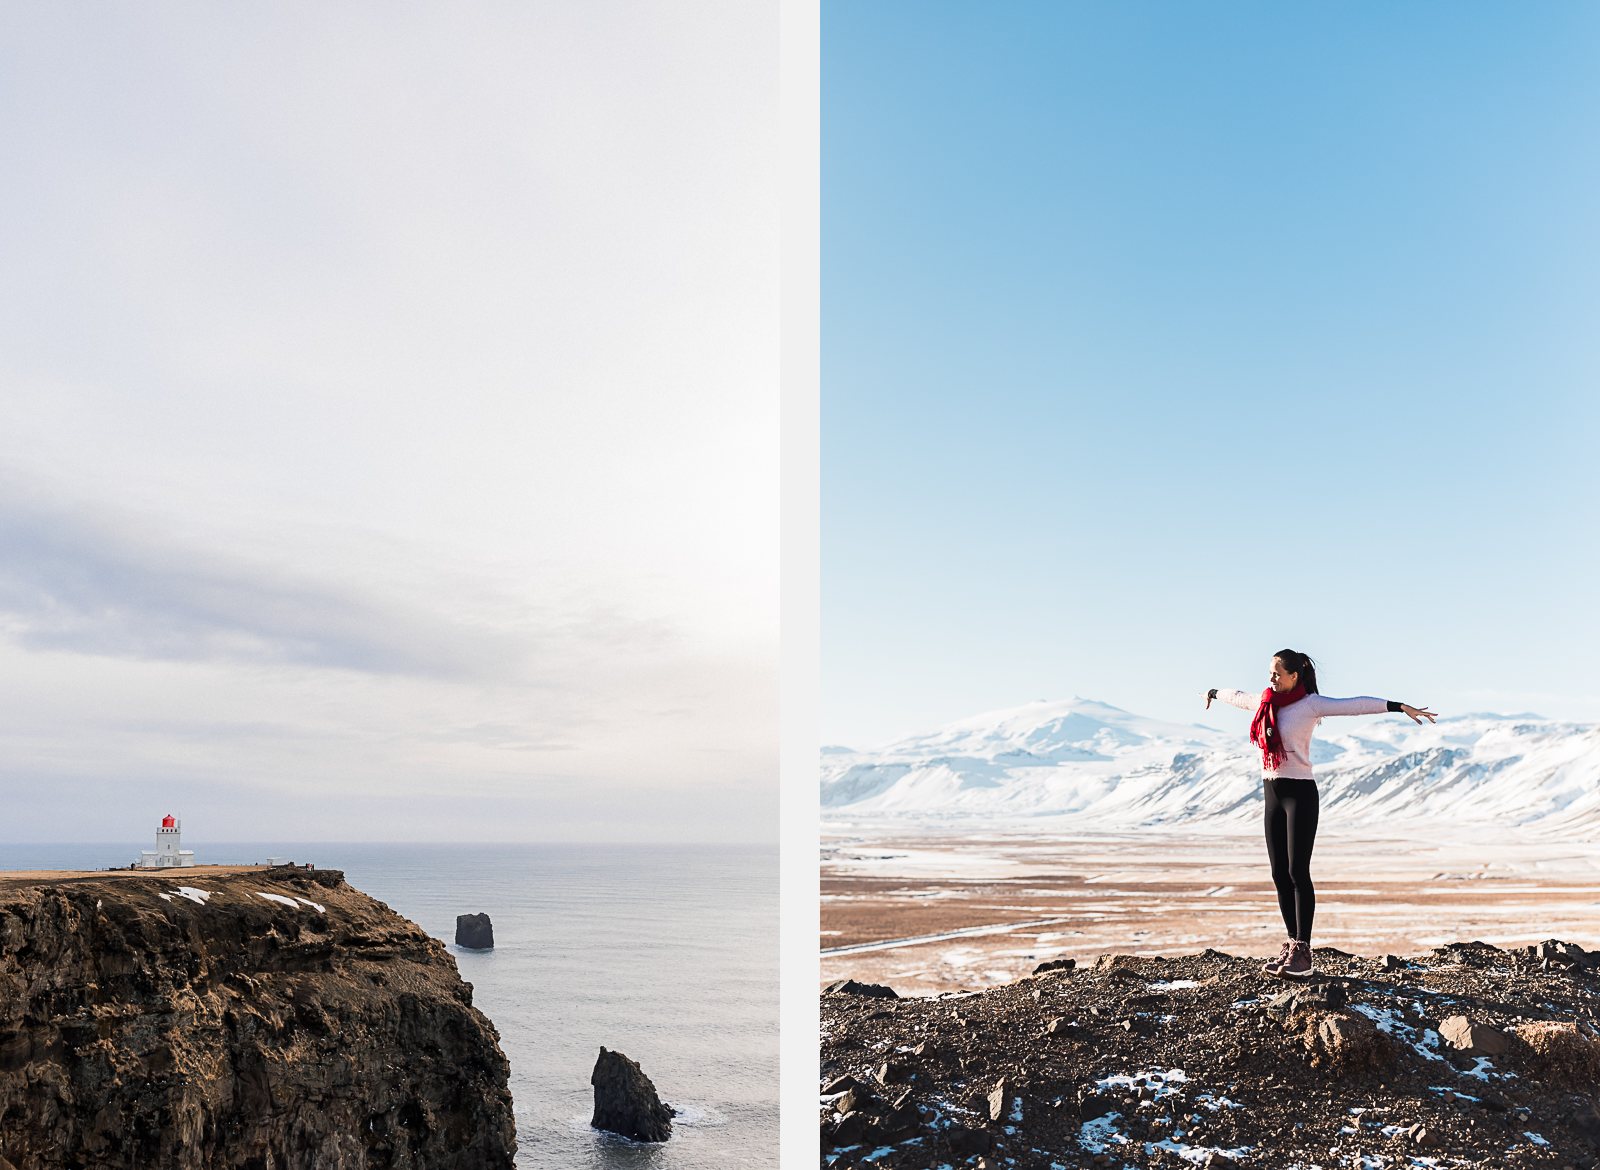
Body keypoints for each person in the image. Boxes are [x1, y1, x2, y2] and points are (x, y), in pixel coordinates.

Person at [1203, 649, 1437, 979]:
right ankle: (1290, 943)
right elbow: (1236, 696)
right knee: (1279, 874)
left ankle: (1303, 951)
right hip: (1272, 794)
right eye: (1270, 672)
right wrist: (1213, 693)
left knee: (1298, 871)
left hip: (1300, 794)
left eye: (1277, 673)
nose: (1271, 678)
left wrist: (1399, 707)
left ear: (1294, 676)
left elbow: (1355, 705)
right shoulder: (1263, 701)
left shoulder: (1310, 705)